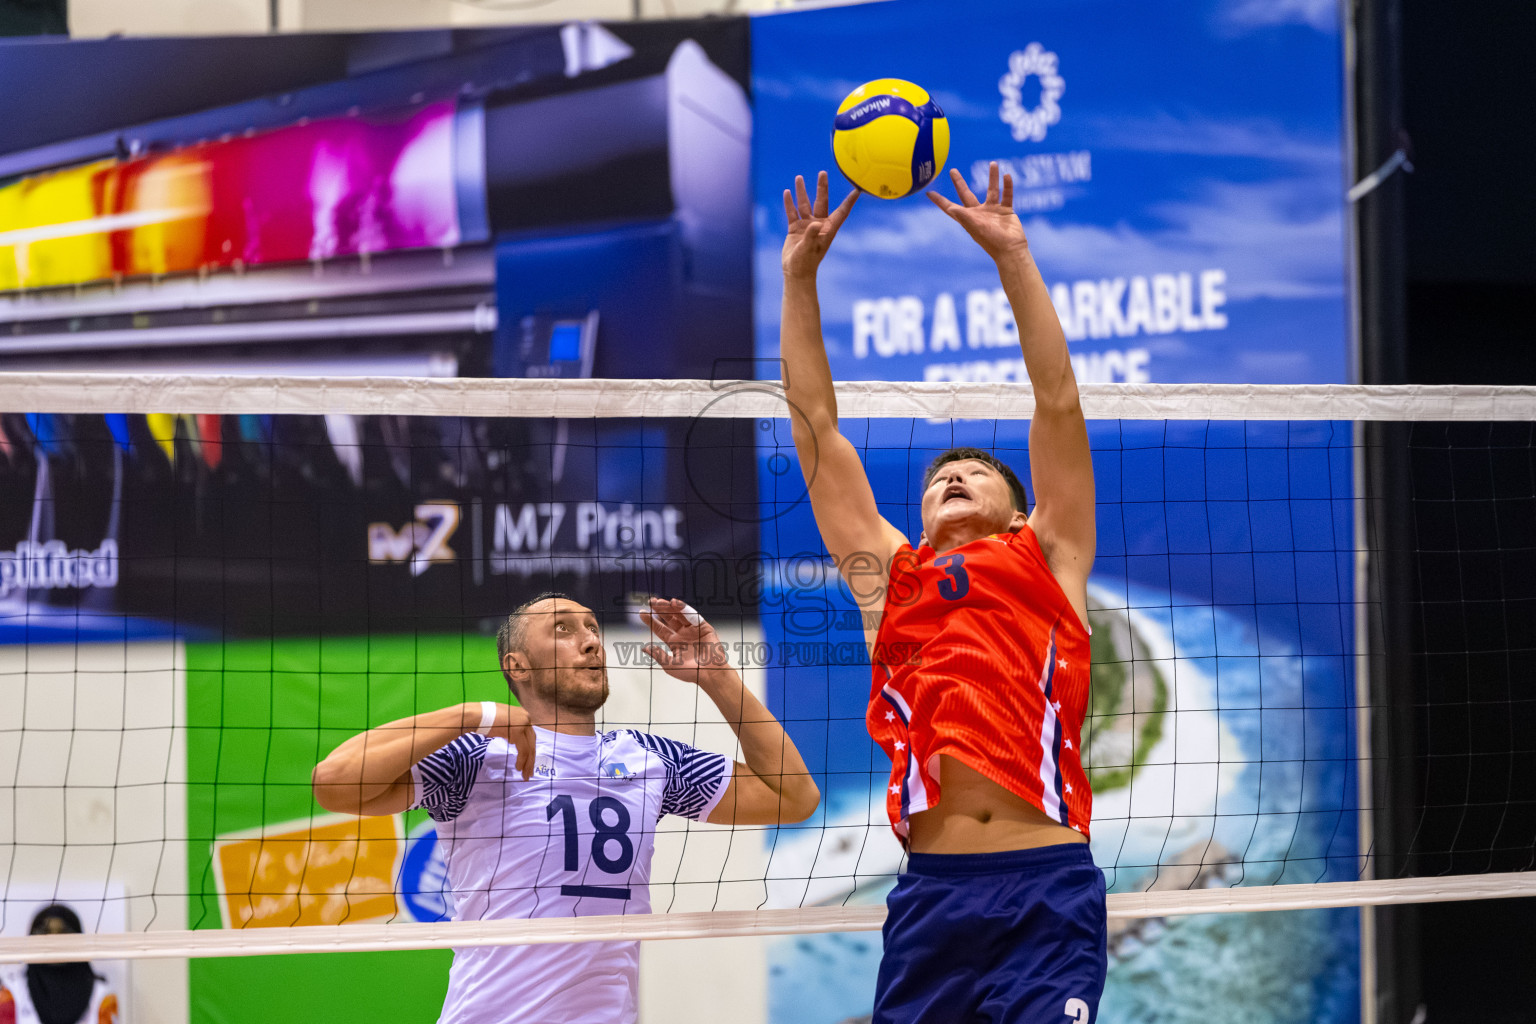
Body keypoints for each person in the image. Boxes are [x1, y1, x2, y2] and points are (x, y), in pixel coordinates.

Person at [777, 165, 1104, 1023]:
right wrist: (798, 278)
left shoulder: (1049, 554)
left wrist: (1013, 258)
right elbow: (816, 430)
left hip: (1046, 887)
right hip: (932, 894)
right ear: (918, 520)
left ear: (1018, 511)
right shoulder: (892, 576)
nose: (953, 476)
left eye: (975, 474)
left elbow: (1058, 402)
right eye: (938, 478)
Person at [312, 594, 817, 1024]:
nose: (592, 640)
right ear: (517, 665)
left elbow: (793, 797)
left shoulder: (649, 759)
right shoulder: (476, 757)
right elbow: (332, 783)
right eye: (563, 630)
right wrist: (473, 715)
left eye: (593, 629)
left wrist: (718, 675)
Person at [0, 905, 119, 1024]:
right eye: (45, 933)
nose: (54, 942)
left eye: (63, 933)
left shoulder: (102, 993)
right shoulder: (11, 991)